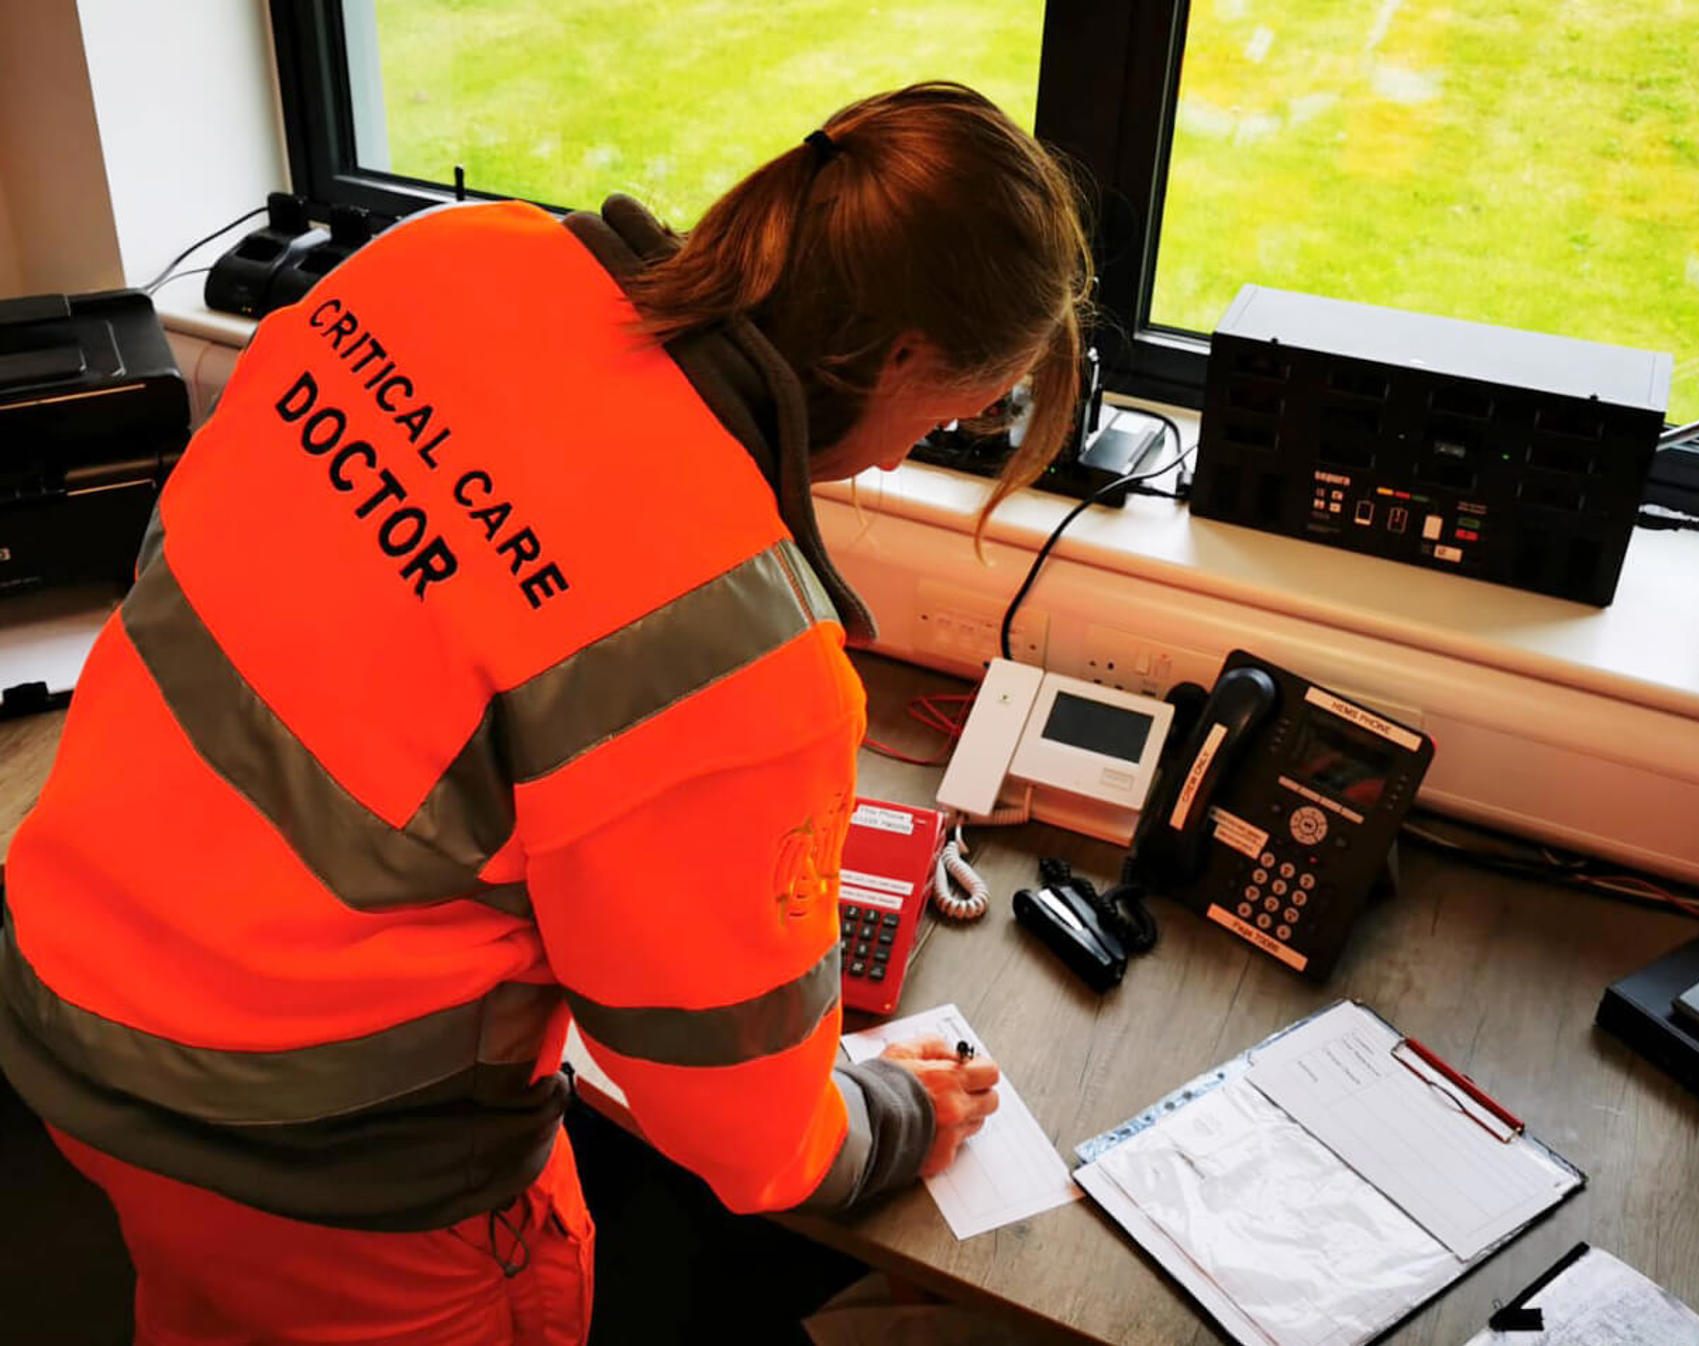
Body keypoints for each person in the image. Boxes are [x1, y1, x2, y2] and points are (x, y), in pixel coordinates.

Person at [0, 81, 1090, 1343]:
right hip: (320, 1158)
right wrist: (897, 1111)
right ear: (901, 355)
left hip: (68, 979)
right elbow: (750, 1137)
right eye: (956, 409)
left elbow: (191, 558)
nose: (906, 454)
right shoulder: (736, 644)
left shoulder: (455, 254)